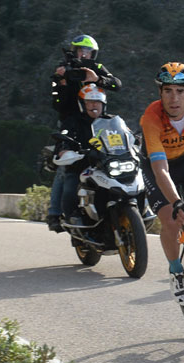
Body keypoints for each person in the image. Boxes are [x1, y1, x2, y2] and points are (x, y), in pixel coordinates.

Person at [139, 62, 184, 305]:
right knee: (171, 218)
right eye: (168, 90)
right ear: (160, 93)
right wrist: (178, 202)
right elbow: (160, 169)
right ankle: (176, 271)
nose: (174, 98)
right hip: (156, 168)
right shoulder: (152, 117)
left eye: (180, 91)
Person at [47, 34, 122, 232]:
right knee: (66, 167)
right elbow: (56, 103)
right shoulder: (63, 70)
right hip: (71, 122)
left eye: (88, 51)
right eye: (81, 50)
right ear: (74, 51)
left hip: (98, 120)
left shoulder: (96, 68)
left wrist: (97, 79)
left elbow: (117, 85)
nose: (84, 54)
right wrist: (61, 82)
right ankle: (55, 213)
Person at [52, 84, 115, 249]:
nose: (94, 105)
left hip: (107, 167)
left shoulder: (111, 121)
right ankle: (74, 223)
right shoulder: (73, 121)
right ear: (83, 104)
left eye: (97, 102)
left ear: (104, 104)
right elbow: (64, 136)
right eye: (89, 102)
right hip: (81, 166)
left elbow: (126, 135)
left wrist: (136, 140)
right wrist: (64, 148)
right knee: (70, 187)